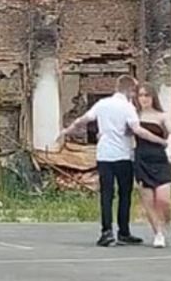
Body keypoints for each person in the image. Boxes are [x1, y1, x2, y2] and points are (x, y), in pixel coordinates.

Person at [60, 75, 162, 247]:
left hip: (104, 155)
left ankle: (106, 232)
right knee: (124, 194)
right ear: (130, 90)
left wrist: (66, 131)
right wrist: (158, 140)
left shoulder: (102, 104)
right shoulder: (128, 107)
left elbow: (82, 120)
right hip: (123, 156)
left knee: (106, 195)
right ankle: (123, 231)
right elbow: (136, 129)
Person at [133, 83, 171, 248]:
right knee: (148, 201)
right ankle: (158, 233)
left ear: (153, 97)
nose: (144, 99)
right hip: (141, 160)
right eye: (140, 95)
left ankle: (168, 222)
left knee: (163, 200)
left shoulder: (162, 116)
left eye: (147, 95)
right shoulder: (133, 115)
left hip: (159, 160)